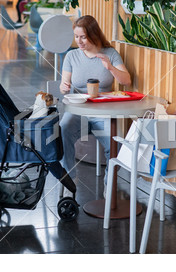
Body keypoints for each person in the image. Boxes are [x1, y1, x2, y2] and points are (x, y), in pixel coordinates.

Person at [59, 15, 131, 187]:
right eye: (76, 37)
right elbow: (64, 82)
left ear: (94, 34)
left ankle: (110, 184)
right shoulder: (71, 56)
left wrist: (111, 68)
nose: (79, 41)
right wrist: (64, 86)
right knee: (63, 131)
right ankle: (70, 180)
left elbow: (126, 80)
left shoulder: (110, 53)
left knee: (115, 144)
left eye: (83, 37)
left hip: (104, 112)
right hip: (78, 112)